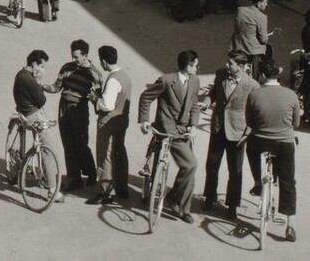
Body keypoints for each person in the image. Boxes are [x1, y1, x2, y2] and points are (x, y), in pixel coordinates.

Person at [138, 50, 201, 223]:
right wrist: (144, 120)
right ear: (188, 66)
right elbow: (146, 97)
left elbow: (194, 105)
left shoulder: (195, 81)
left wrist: (194, 125)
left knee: (190, 167)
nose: (198, 68)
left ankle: (180, 204)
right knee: (189, 164)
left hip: (183, 130)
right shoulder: (166, 80)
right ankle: (166, 196)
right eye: (196, 65)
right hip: (166, 129)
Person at [245, 58, 300, 242]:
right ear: (278, 74)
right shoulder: (291, 95)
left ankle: (258, 182)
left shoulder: (254, 94)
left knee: (250, 148)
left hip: (260, 140)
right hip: (284, 143)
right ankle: (290, 224)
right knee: (288, 181)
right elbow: (296, 123)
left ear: (261, 75)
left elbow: (249, 122)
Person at [202, 51, 258, 219]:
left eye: (230, 63)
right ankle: (209, 197)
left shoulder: (252, 85)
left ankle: (232, 205)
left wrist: (248, 132)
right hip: (218, 127)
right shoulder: (221, 74)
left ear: (241, 67)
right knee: (212, 164)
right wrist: (206, 103)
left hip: (237, 132)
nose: (227, 65)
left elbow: (254, 112)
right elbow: (214, 93)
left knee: (235, 170)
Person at [43, 40, 104, 192]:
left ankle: (90, 172)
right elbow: (57, 87)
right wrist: (41, 86)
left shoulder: (95, 74)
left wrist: (95, 100)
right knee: (68, 144)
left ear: (85, 55)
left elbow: (97, 97)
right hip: (63, 107)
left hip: (79, 109)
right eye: (72, 56)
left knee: (81, 143)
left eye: (76, 57)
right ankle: (74, 178)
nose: (74, 60)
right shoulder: (67, 67)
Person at [12, 50, 63, 204]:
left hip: (26, 112)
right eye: (42, 67)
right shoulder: (28, 79)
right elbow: (41, 100)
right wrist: (38, 81)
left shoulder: (21, 75)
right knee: (49, 148)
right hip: (33, 114)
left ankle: (41, 172)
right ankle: (52, 189)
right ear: (34, 65)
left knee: (42, 142)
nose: (43, 70)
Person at [89, 45, 131, 204]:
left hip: (108, 122)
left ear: (104, 61)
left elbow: (107, 104)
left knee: (105, 156)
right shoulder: (124, 75)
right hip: (122, 120)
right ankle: (122, 188)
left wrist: (95, 98)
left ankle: (106, 192)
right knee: (119, 153)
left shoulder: (112, 80)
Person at [229, 0, 279, 81]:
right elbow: (263, 39)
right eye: (265, 2)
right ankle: (255, 80)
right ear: (259, 3)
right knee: (261, 60)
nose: (266, 4)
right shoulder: (262, 17)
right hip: (251, 50)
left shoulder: (240, 10)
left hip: (237, 45)